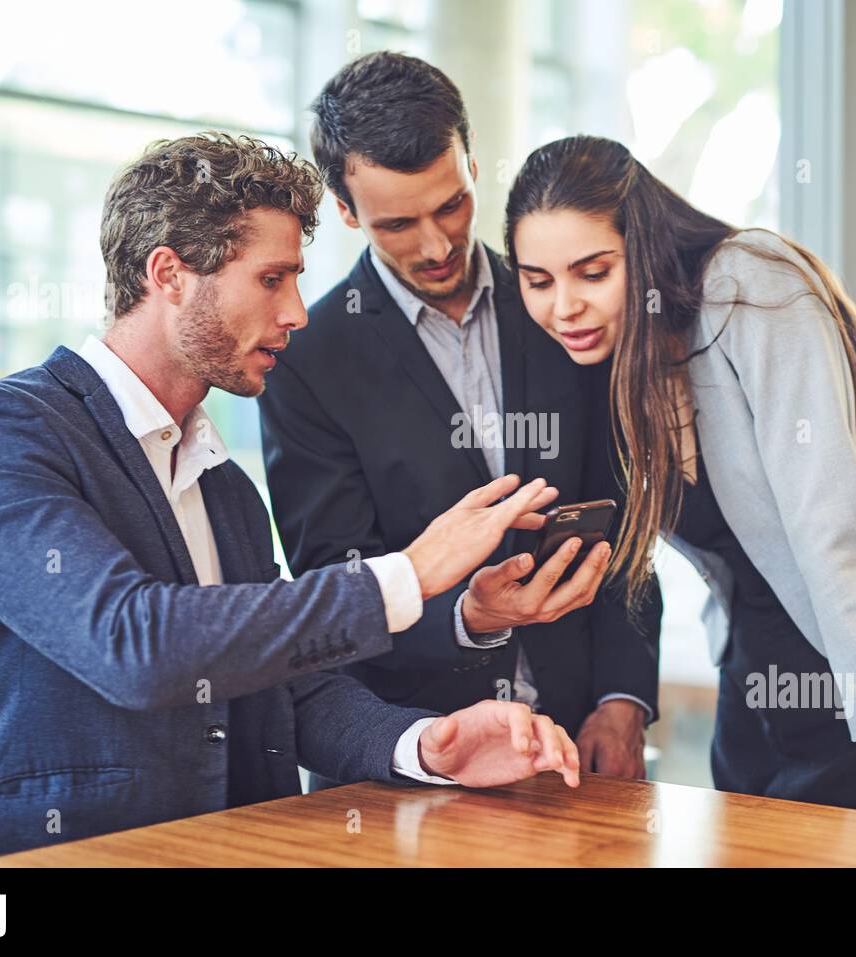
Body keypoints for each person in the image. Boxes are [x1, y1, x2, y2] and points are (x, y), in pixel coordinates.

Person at [0, 132, 582, 868]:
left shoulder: (226, 489)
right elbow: (133, 643)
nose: (297, 312)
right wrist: (408, 575)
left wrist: (425, 744)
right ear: (170, 275)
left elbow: (288, 686)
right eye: (271, 279)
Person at [504, 134, 856, 821]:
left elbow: (833, 528)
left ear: (643, 247)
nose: (564, 306)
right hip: (754, 668)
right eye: (539, 281)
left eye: (593, 271)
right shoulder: (616, 353)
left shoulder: (751, 284)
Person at [258, 54, 661, 788]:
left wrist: (624, 697)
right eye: (398, 223)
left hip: (578, 746)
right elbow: (337, 587)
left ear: (472, 163)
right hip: (414, 758)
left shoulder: (559, 305)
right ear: (346, 212)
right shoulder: (307, 359)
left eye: (451, 205)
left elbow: (627, 521)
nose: (437, 244)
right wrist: (468, 618)